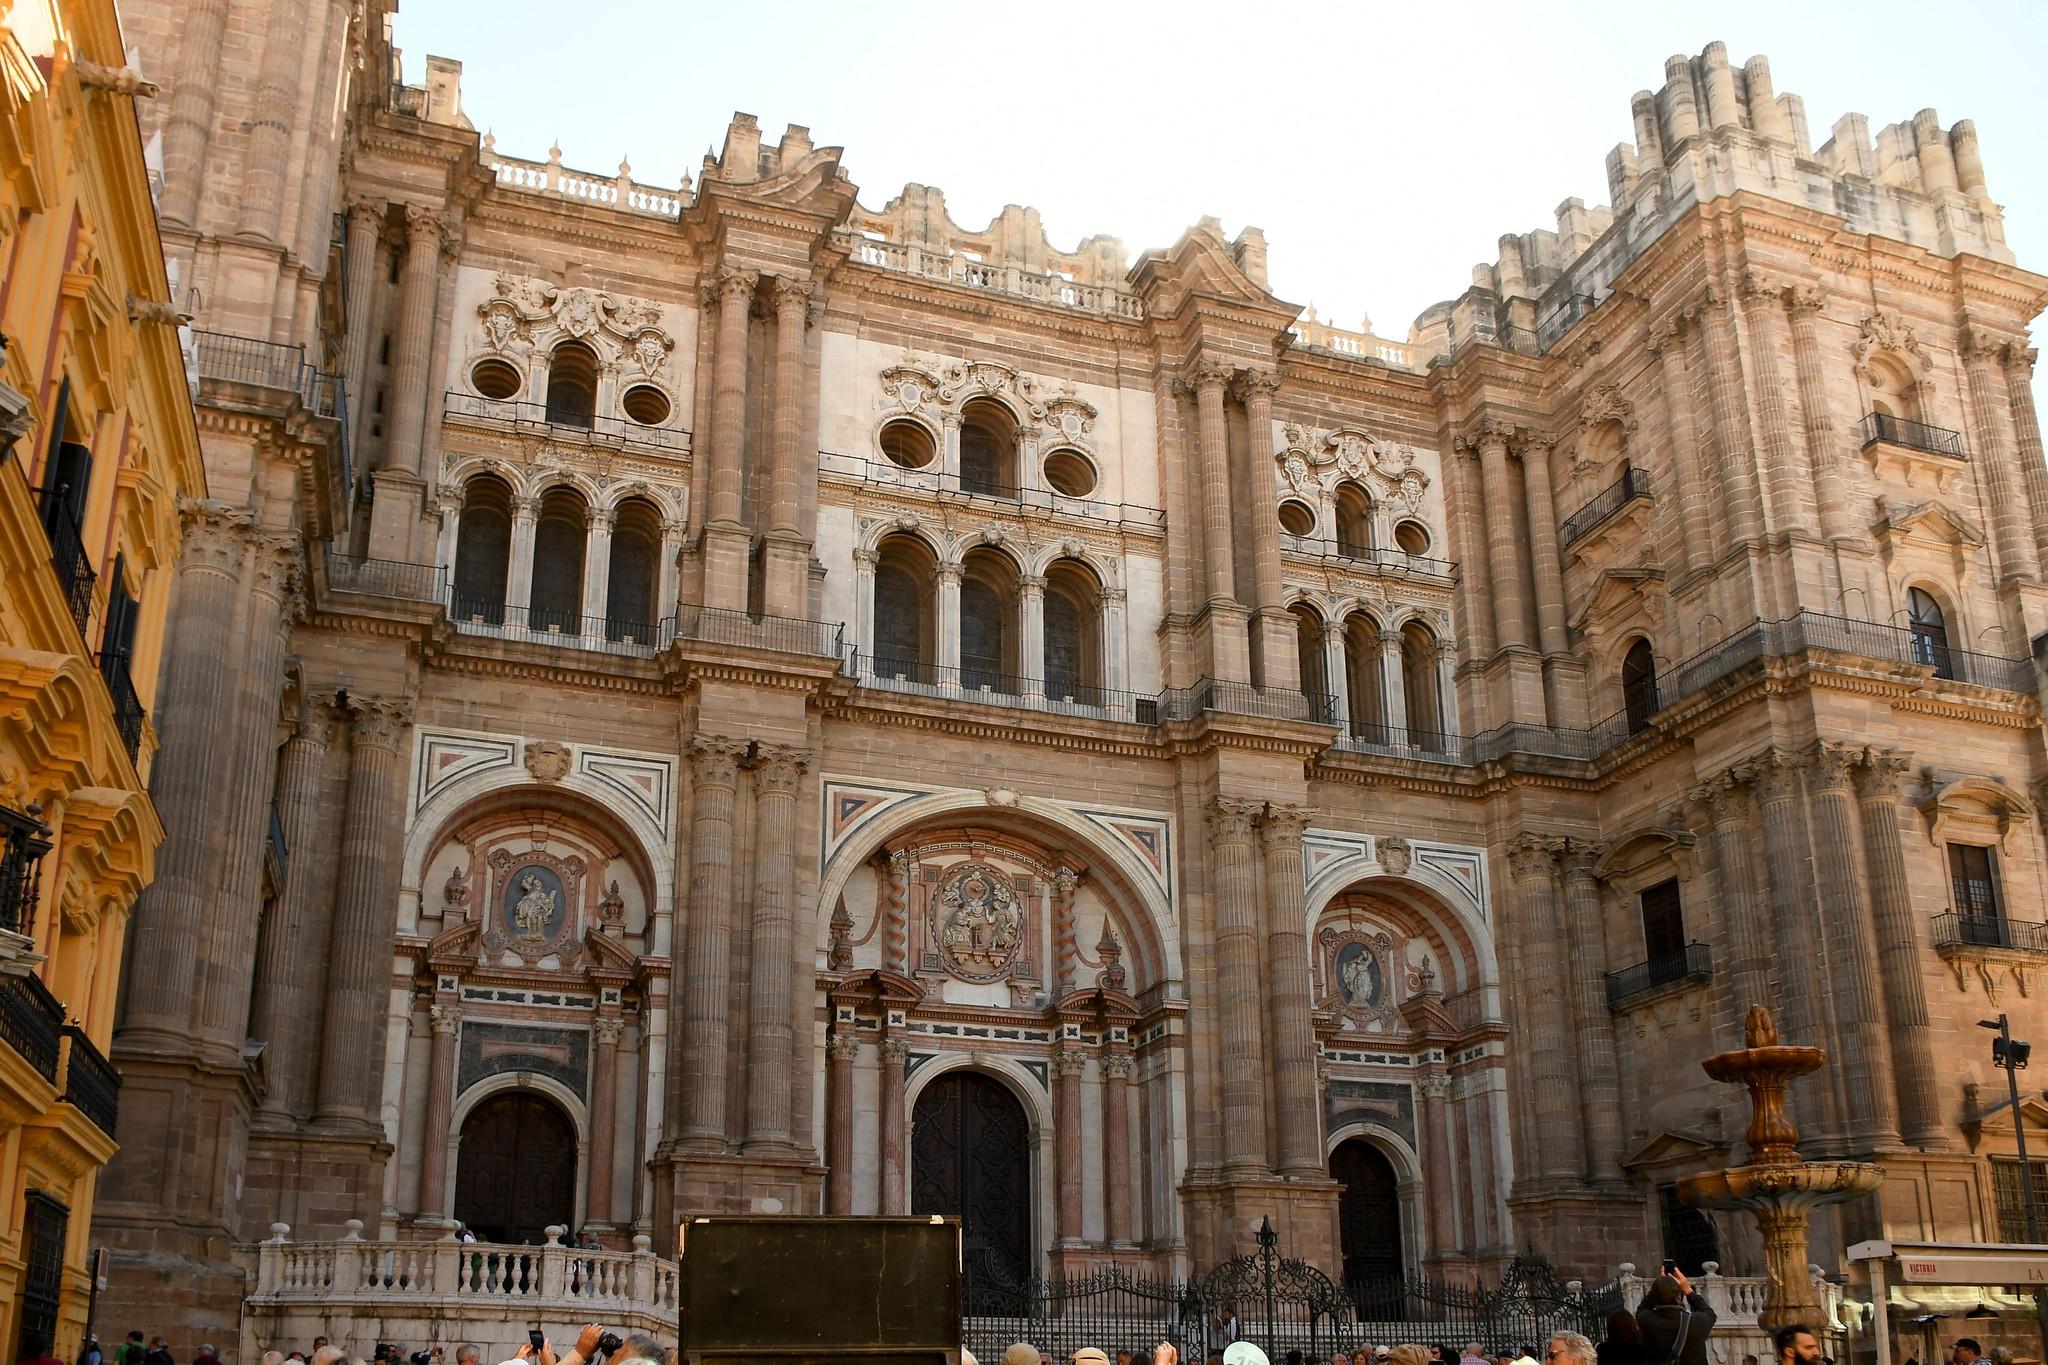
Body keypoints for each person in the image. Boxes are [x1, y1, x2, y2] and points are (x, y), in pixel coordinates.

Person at [1636, 1270, 1716, 1365]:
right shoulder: (1696, 1322)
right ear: (1678, 1297)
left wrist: (1660, 1285)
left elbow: (1642, 1308)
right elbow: (1710, 1313)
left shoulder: (1647, 1321)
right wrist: (1688, 1290)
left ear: (1655, 1296)